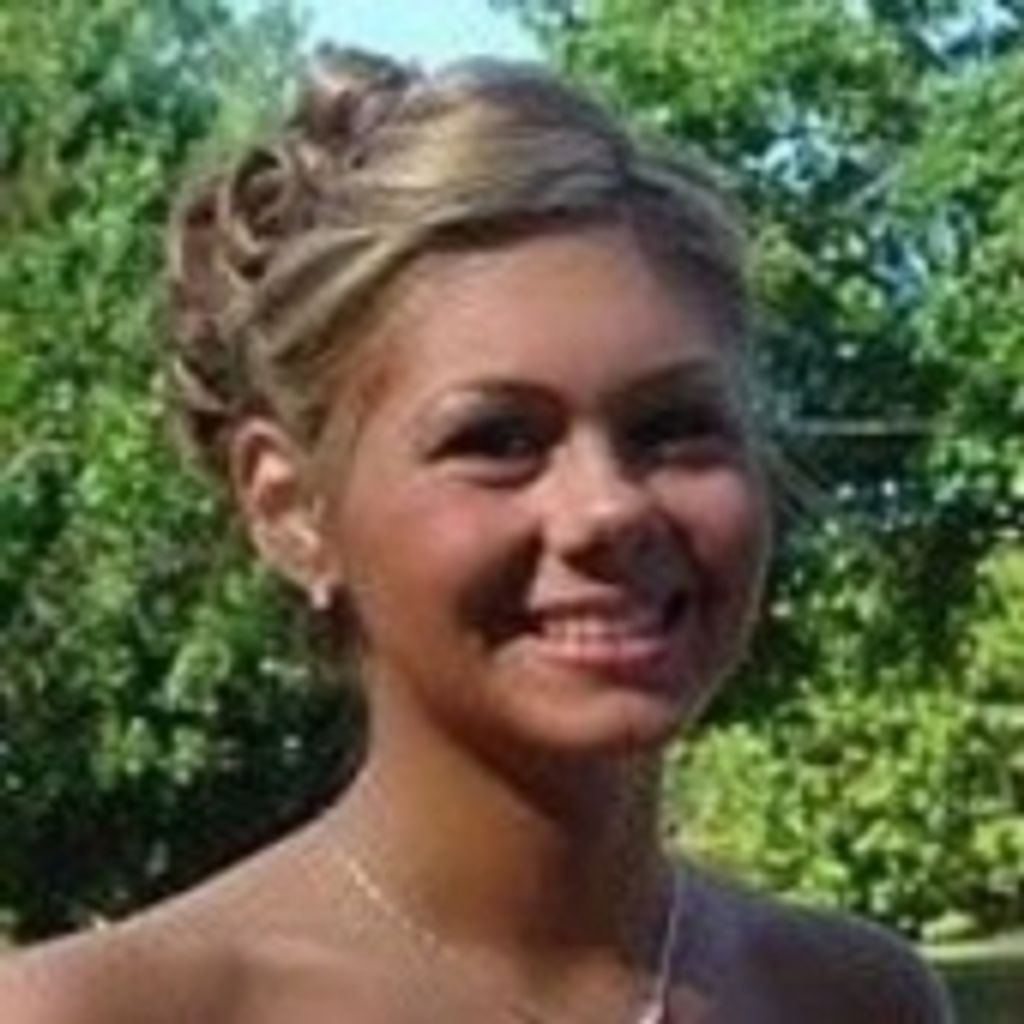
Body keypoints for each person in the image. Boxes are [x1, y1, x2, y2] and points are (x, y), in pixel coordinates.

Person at [0, 45, 953, 1023]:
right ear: (290, 508)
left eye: (673, 427)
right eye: (497, 440)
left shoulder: (853, 998)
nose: (610, 508)